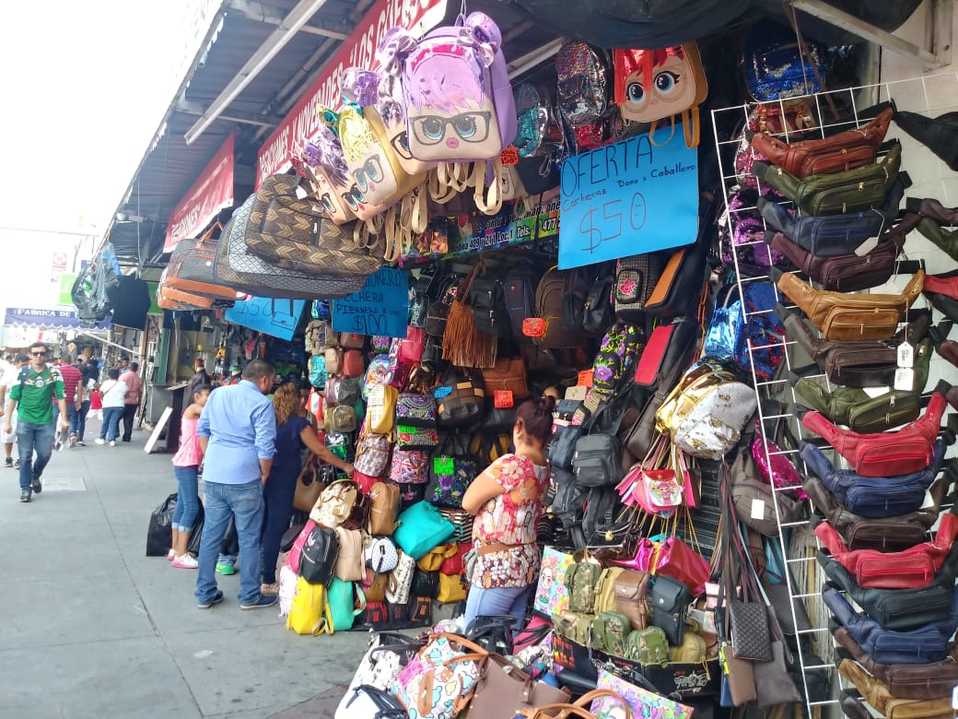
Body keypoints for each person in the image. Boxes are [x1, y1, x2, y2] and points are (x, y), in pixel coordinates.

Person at [461, 396, 555, 628]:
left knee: (474, 641)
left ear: (519, 426)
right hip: (525, 563)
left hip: (499, 567)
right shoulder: (544, 468)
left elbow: (468, 502)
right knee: (506, 645)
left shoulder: (512, 464)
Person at [195, 360, 277, 610]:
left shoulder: (218, 394)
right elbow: (265, 446)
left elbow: (203, 430)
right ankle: (250, 595)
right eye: (271, 380)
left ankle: (205, 592)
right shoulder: (262, 404)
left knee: (211, 535)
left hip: (214, 475)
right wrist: (263, 474)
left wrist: (211, 459)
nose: (272, 385)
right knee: (249, 538)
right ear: (263, 380)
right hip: (244, 477)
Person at [260, 382, 354, 595]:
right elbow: (321, 450)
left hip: (265, 477)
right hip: (283, 482)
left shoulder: (270, 421)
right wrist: (345, 466)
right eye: (301, 397)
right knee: (275, 528)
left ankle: (258, 570)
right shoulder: (298, 424)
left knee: (263, 524)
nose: (304, 400)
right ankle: (267, 579)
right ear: (295, 401)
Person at [3, 343, 69, 502]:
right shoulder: (23, 373)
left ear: (47, 355)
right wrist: (7, 421)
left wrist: (65, 419)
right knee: (25, 456)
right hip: (25, 421)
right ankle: (25, 489)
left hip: (45, 421)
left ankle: (35, 475)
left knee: (45, 454)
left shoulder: (54, 373)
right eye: (35, 353)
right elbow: (13, 397)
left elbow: (60, 396)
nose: (38, 356)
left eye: (42, 353)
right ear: (30, 355)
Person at [169, 384, 211, 569]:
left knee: (182, 505)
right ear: (196, 396)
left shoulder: (195, 410)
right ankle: (181, 553)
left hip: (186, 463)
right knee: (192, 507)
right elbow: (211, 415)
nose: (209, 399)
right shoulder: (194, 409)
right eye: (207, 396)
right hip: (186, 464)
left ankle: (175, 548)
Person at [0, 354, 28, 469]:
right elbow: (1, 388)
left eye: (27, 364)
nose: (25, 367)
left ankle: (20, 459)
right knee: (8, 434)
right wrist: (0, 406)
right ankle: (8, 457)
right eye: (23, 364)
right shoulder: (10, 373)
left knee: (22, 434)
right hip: (9, 408)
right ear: (17, 363)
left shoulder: (29, 373)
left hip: (24, 408)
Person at [95, 369, 128, 447]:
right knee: (113, 422)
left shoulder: (105, 383)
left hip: (107, 405)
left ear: (109, 375)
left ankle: (102, 438)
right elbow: (126, 394)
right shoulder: (123, 384)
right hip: (119, 405)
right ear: (118, 375)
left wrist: (103, 399)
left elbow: (100, 394)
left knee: (105, 421)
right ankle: (112, 439)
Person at [57, 358, 84, 448]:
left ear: (62, 361)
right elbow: (80, 388)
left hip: (56, 399)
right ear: (71, 361)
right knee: (70, 419)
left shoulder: (58, 371)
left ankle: (52, 439)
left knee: (53, 419)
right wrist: (79, 401)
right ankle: (72, 434)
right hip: (69, 400)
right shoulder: (77, 372)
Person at [119, 361, 142, 443]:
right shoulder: (138, 378)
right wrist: (139, 401)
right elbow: (140, 392)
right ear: (137, 369)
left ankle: (114, 433)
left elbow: (119, 388)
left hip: (123, 401)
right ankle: (127, 436)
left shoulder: (123, 376)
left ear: (129, 367)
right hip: (133, 402)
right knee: (129, 419)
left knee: (116, 418)